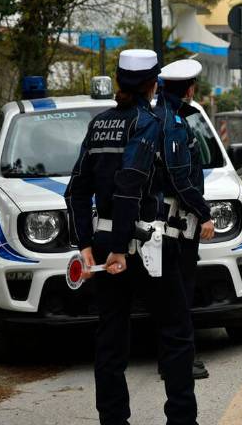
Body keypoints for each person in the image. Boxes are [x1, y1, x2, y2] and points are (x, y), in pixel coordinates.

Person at [64, 49, 198, 425]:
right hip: (149, 246)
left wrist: (87, 248)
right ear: (154, 84)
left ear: (120, 82)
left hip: (106, 247)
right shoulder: (156, 122)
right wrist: (122, 249)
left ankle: (113, 421)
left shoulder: (99, 124)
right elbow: (129, 186)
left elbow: (75, 190)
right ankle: (182, 420)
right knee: (175, 334)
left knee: (110, 340)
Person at [155, 59, 215, 380]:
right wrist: (204, 213)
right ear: (189, 88)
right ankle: (179, 362)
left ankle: (174, 359)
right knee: (178, 295)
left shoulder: (157, 116)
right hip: (174, 227)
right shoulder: (173, 123)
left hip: (162, 226)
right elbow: (180, 179)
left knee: (171, 295)